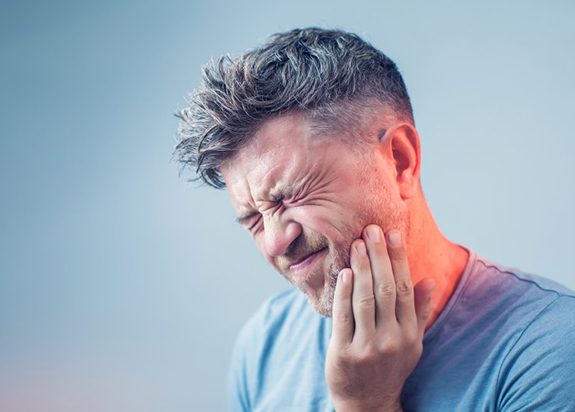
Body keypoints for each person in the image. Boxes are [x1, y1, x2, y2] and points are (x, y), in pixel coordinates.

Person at [174, 28, 575, 411]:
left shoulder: (551, 349)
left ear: (400, 161)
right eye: (252, 220)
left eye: (291, 195)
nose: (276, 242)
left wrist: (367, 405)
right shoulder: (264, 344)